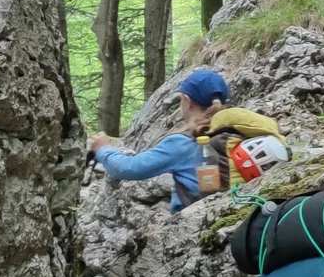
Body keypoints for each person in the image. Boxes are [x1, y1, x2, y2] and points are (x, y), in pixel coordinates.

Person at [87, 67, 287, 209]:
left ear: (187, 101)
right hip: (240, 211)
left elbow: (129, 168)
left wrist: (103, 149)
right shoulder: (238, 131)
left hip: (196, 222)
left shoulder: (183, 143)